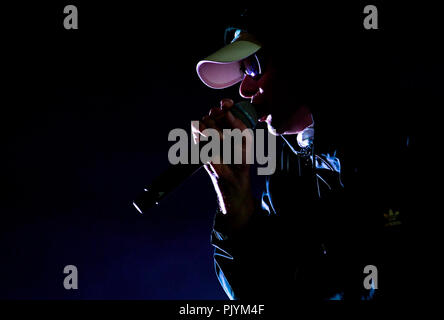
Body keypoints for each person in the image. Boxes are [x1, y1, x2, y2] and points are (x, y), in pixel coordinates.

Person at [194, 5, 415, 301]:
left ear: (305, 58)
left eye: (253, 68)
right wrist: (237, 210)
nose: (245, 90)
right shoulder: (287, 183)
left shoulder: (403, 146)